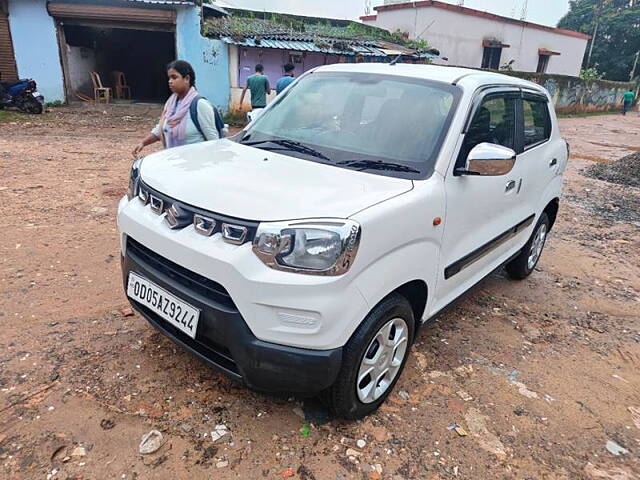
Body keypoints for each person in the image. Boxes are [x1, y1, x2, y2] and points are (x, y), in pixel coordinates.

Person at [132, 60, 218, 158]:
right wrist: (143, 143)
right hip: (173, 164)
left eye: (174, 77)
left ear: (187, 79)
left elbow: (214, 141)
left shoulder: (200, 105)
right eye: (169, 78)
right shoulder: (171, 104)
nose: (170, 81)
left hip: (196, 166)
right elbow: (163, 128)